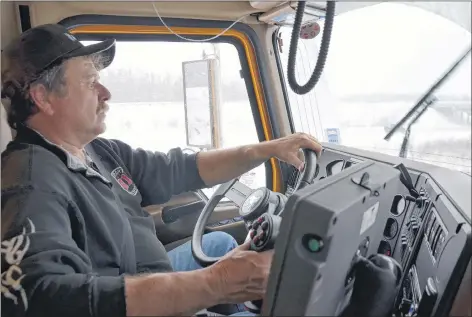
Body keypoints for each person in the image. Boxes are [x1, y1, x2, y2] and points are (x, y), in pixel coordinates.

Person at [0, 24, 322, 317]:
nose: (105, 93)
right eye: (89, 81)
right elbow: (40, 298)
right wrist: (216, 282)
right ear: (43, 97)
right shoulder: (31, 181)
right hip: (136, 305)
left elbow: (184, 169)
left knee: (221, 244)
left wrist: (268, 150)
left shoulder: (98, 151)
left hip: (149, 274)